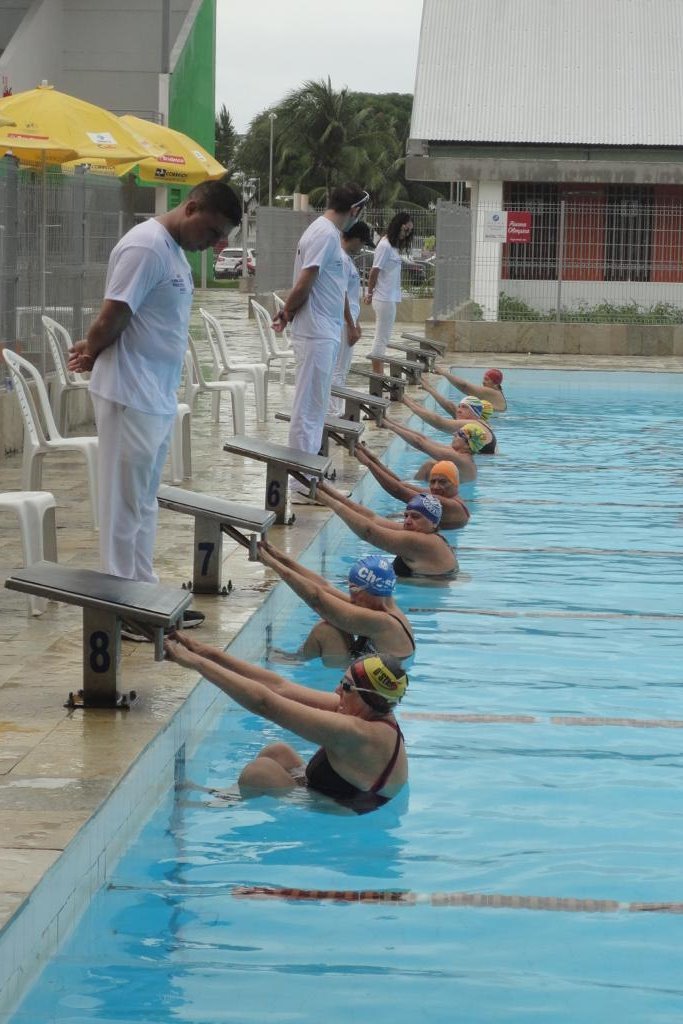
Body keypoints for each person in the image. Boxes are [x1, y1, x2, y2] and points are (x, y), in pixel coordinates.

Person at [67, 181, 241, 635]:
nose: (215, 243)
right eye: (214, 230)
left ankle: (143, 595)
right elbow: (114, 313)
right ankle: (122, 605)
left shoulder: (174, 253)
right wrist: (91, 349)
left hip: (154, 395)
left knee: (143, 503)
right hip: (130, 393)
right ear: (192, 207)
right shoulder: (145, 246)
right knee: (124, 505)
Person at [164, 632, 409, 814]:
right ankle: (227, 796)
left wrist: (196, 664)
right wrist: (206, 652)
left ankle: (214, 805)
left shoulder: (357, 733)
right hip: (334, 789)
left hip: (342, 809)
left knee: (259, 772)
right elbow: (280, 687)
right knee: (277, 752)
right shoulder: (369, 710)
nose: (337, 690)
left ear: (368, 697)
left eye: (345, 686)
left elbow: (265, 704)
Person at [271, 184, 370, 497]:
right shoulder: (325, 234)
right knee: (309, 408)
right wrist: (287, 311)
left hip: (324, 331)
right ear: (354, 210)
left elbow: (331, 285)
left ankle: (307, 476)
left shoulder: (326, 234)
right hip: (315, 332)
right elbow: (306, 280)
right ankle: (300, 483)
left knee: (314, 407)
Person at [258, 544, 414, 666]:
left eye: (353, 590)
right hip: (368, 668)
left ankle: (298, 661)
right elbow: (325, 587)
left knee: (326, 631)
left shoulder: (383, 622)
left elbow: (317, 599)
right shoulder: (381, 607)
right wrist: (279, 557)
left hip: (370, 685)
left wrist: (274, 565)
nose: (351, 598)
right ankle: (299, 658)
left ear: (371, 590)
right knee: (333, 624)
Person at [315, 482, 458, 579]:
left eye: (415, 517)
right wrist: (327, 490)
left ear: (433, 522)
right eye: (406, 516)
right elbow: (373, 519)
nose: (408, 521)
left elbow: (369, 532)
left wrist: (327, 501)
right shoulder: (426, 533)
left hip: (417, 601)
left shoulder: (422, 541)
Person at [354, 446, 470, 530]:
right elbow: (400, 484)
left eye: (443, 482)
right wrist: (374, 460)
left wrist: (368, 464)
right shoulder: (441, 494)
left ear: (455, 483)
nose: (435, 487)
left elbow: (398, 491)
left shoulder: (450, 505)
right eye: (432, 481)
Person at [328, 220, 373, 416]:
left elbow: (350, 297)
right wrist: (351, 324)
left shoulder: (345, 258)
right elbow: (343, 294)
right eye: (362, 243)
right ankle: (333, 413)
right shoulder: (342, 259)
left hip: (347, 320)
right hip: (343, 322)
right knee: (338, 370)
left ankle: (334, 411)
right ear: (355, 239)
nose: (362, 247)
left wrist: (356, 322)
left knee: (340, 370)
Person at [365, 212, 414, 373]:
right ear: (400, 226)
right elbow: (374, 270)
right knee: (381, 338)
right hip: (383, 298)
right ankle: (377, 376)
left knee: (383, 337)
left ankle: (377, 374)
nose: (406, 235)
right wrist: (369, 293)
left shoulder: (392, 246)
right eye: (406, 230)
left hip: (388, 298)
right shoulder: (385, 245)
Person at [382, 415, 486, 482]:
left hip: (455, 500)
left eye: (459, 434)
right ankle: (406, 484)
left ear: (468, 445)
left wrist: (390, 426)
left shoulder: (460, 459)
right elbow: (424, 439)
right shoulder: (461, 455)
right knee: (431, 465)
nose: (454, 434)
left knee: (430, 465)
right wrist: (390, 421)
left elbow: (420, 443)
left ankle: (405, 485)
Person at [401, 393, 497, 454]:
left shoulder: (474, 424)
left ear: (475, 413)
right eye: (459, 406)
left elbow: (440, 423)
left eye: (464, 407)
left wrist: (407, 403)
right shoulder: (479, 428)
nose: (458, 410)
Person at [433, 366, 507, 412]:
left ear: (495, 383)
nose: (483, 382)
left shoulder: (491, 392)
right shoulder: (498, 392)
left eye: (487, 380)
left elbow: (464, 386)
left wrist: (443, 373)